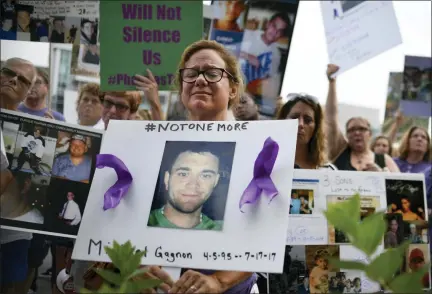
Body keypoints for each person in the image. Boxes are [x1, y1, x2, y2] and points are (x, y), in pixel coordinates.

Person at [84, 39, 257, 294]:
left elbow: (263, 238)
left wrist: (218, 281)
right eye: (191, 74)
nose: (200, 80)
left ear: (232, 88)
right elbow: (121, 224)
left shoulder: (255, 149)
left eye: (211, 73)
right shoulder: (145, 146)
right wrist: (130, 268)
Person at [325, 64, 399, 172]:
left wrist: (381, 175)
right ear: (346, 135)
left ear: (370, 134)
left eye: (362, 129)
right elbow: (331, 119)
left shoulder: (384, 160)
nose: (357, 133)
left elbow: (400, 185)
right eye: (351, 130)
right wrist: (332, 82)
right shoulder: (339, 152)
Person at [148, 143, 223, 230]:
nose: (193, 185)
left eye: (205, 176)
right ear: (167, 179)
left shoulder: (221, 230)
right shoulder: (137, 223)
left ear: (216, 181)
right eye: (183, 174)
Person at [240, 12, 292, 107]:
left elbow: (269, 79)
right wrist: (248, 56)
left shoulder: (276, 54)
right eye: (274, 26)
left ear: (281, 35)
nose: (275, 32)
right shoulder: (248, 35)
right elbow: (225, 50)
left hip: (250, 98)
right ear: (268, 24)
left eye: (280, 31)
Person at [277, 93, 336, 170]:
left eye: (308, 120)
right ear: (282, 120)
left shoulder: (328, 171)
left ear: (316, 128)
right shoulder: (268, 165)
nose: (300, 124)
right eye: (294, 117)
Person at [394, 126, 431, 209]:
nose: (419, 139)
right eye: (415, 136)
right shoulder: (393, 163)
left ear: (428, 145)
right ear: (407, 141)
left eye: (424, 137)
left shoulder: (430, 168)